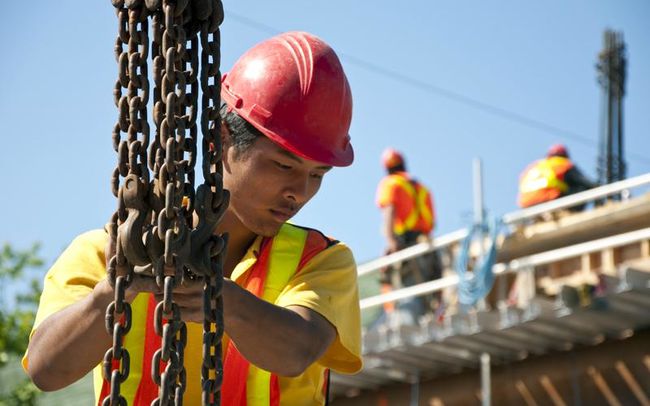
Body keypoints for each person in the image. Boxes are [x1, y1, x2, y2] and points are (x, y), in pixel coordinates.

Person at [23, 31, 362, 405]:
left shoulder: (319, 260)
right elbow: (46, 369)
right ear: (220, 141)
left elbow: (296, 351)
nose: (299, 192)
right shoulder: (105, 251)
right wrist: (115, 290)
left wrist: (223, 299)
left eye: (317, 175)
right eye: (283, 165)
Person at [374, 148, 440, 325]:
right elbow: (432, 222)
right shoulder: (422, 188)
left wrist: (391, 242)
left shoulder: (390, 183)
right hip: (427, 246)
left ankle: (408, 326)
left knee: (407, 291)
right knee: (427, 291)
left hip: (406, 245)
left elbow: (389, 211)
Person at [518, 143, 597, 210]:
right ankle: (570, 213)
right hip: (550, 199)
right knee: (582, 188)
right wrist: (600, 188)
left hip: (527, 204)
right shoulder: (563, 164)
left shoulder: (534, 167)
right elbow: (584, 182)